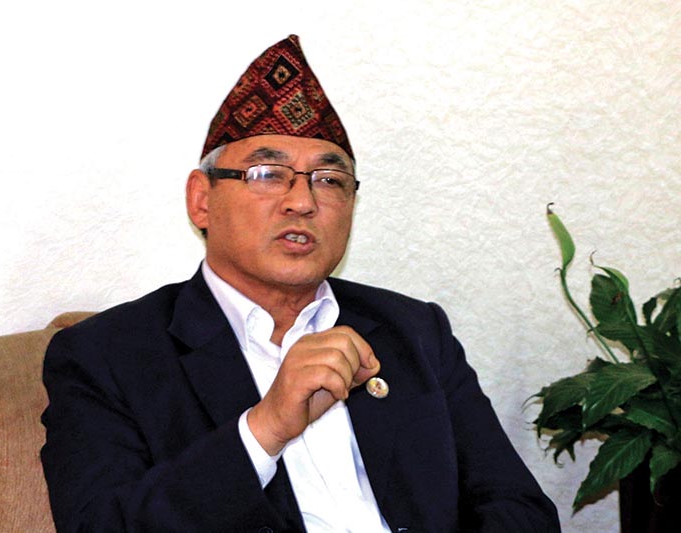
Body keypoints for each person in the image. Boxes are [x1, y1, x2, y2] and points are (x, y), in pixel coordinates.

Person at [41, 35, 559, 532]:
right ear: (201, 200)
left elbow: (520, 509)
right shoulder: (107, 355)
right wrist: (264, 428)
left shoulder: (414, 331)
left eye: (329, 180)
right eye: (268, 173)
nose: (302, 201)